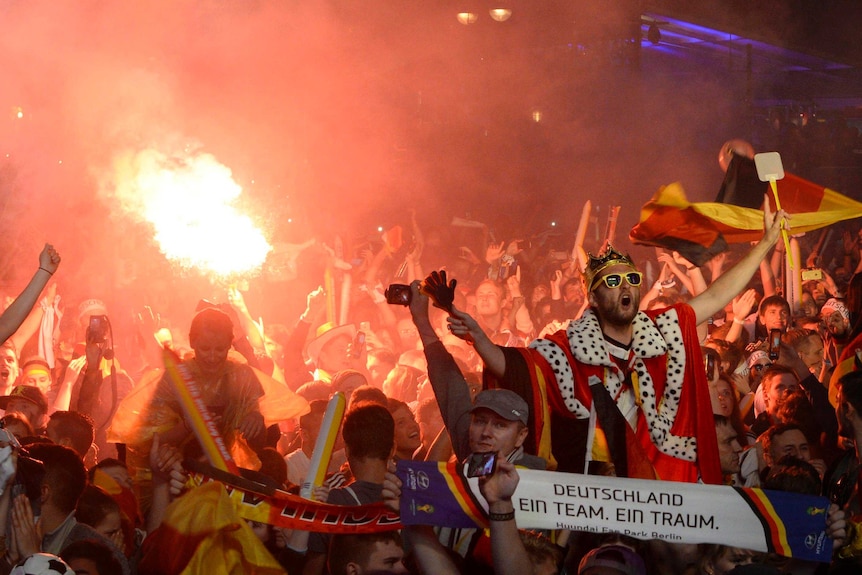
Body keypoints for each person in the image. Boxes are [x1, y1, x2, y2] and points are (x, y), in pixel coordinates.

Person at [445, 205, 785, 481]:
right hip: (593, 488)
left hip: (656, 483)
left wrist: (767, 244)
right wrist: (479, 339)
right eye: (612, 281)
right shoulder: (566, 347)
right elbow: (516, 367)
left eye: (631, 279)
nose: (625, 287)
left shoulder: (660, 328)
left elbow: (715, 296)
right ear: (593, 297)